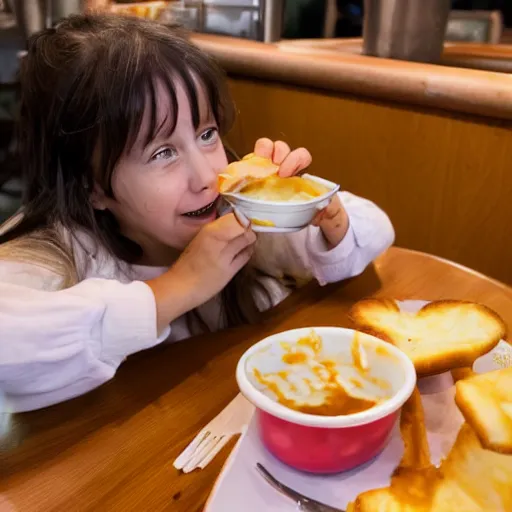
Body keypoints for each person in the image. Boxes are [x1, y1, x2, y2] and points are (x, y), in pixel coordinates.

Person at [0, 13, 394, 413]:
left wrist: (303, 203)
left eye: (207, 135)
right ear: (93, 187)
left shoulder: (233, 210)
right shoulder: (59, 250)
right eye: (163, 152)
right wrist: (178, 287)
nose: (208, 176)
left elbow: (377, 230)